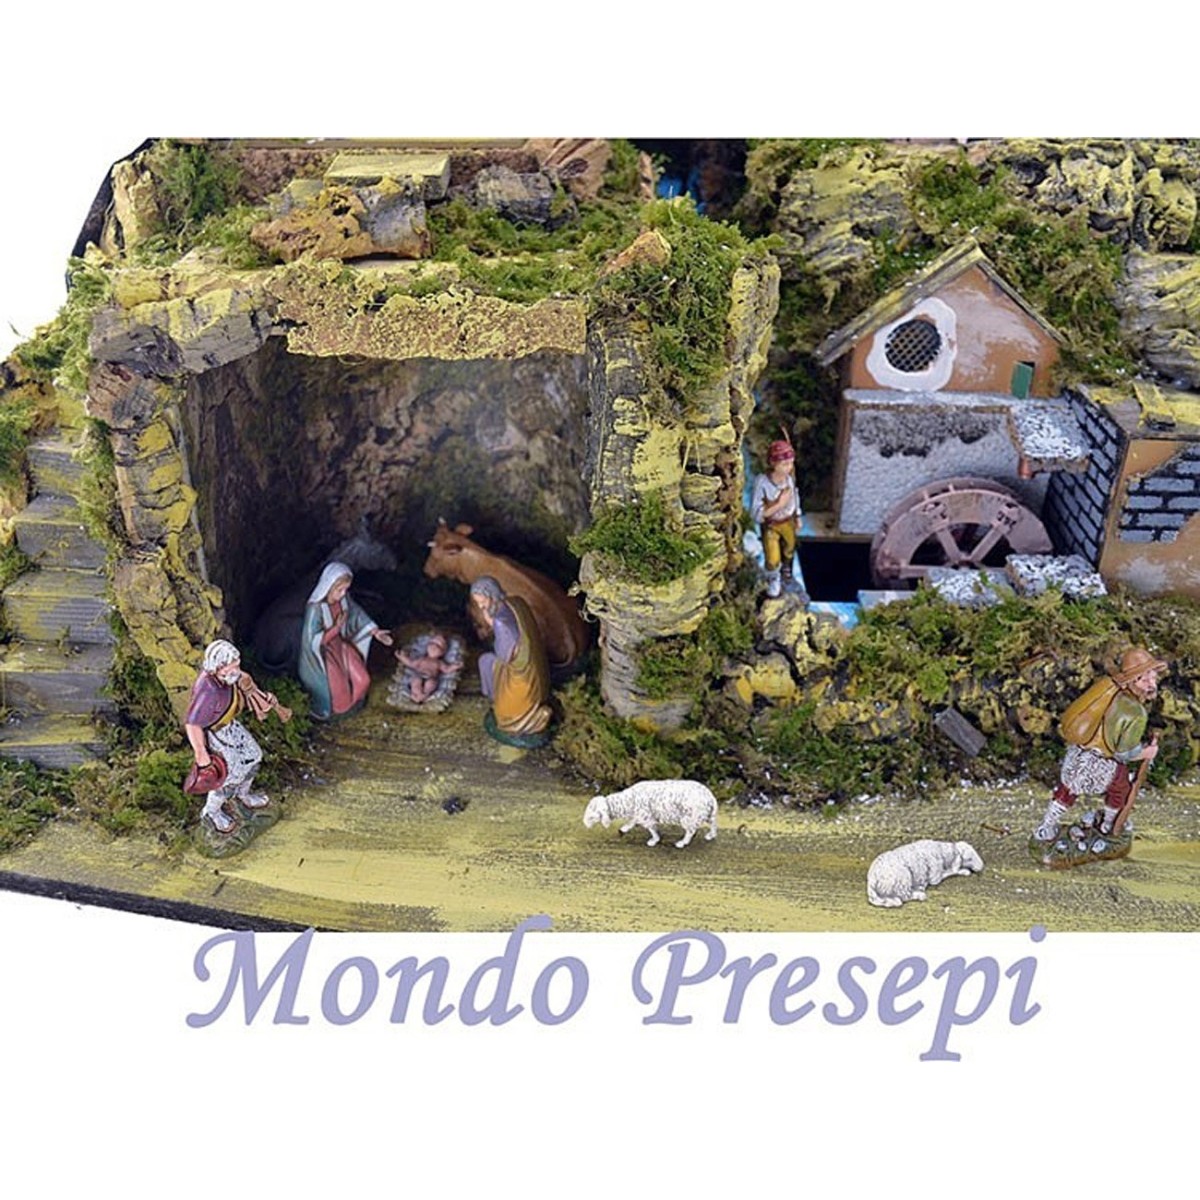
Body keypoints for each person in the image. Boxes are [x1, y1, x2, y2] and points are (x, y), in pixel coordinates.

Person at [1033, 647, 1167, 843]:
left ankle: (1047, 826)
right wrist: (1147, 752)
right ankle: (1108, 824)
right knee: (1120, 788)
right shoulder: (1135, 712)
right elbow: (1123, 753)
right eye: (1144, 679)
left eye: (1153, 678)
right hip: (1102, 763)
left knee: (1067, 790)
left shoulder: (1111, 694)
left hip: (1078, 754)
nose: (1151, 684)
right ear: (1132, 680)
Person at [185, 639, 288, 835]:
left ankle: (242, 795)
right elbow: (193, 723)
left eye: (237, 665)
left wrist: (264, 699)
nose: (236, 671)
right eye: (231, 667)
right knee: (229, 774)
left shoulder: (231, 677)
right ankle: (212, 812)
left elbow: (247, 689)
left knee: (254, 755)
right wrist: (201, 753)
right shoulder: (207, 689)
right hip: (215, 732)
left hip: (231, 726)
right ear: (218, 667)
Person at [298, 562, 393, 720]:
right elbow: (311, 641)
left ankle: (352, 706)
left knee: (363, 680)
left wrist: (375, 632)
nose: (343, 594)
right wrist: (335, 628)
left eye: (346, 589)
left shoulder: (343, 600)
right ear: (329, 586)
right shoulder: (315, 609)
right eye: (339, 589)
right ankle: (338, 712)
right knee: (340, 698)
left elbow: (357, 614)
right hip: (325, 655)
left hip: (341, 647)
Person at [469, 575, 552, 737]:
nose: (481, 607)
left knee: (504, 716)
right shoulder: (515, 603)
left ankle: (513, 711)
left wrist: (492, 625)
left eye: (483, 602)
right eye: (478, 603)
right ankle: (495, 697)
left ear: (493, 595)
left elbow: (504, 656)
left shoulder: (500, 623)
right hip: (532, 666)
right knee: (486, 661)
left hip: (520, 676)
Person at [750, 439, 805, 600]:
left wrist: (797, 515)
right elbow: (756, 514)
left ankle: (786, 571)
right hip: (771, 525)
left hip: (787, 522)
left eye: (791, 463)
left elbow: (794, 496)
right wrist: (779, 504)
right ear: (773, 463)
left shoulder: (789, 479)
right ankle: (773, 582)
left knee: (789, 547)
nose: (789, 467)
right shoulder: (762, 483)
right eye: (785, 464)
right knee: (772, 558)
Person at [395, 633, 463, 703]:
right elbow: (411, 663)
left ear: (443, 652)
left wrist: (455, 666)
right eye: (432, 643)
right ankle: (415, 693)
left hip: (431, 678)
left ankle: (425, 694)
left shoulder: (439, 662)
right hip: (419, 675)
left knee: (431, 683)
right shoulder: (422, 659)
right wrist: (402, 657)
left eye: (438, 646)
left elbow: (446, 669)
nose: (434, 646)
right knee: (416, 680)